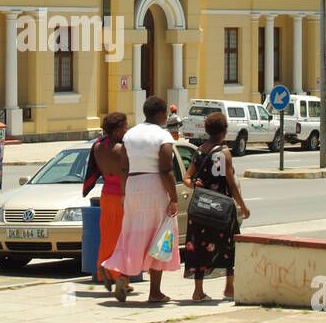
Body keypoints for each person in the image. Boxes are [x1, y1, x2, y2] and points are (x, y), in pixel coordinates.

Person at [103, 96, 181, 303]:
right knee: (158, 237)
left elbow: (124, 167)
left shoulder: (130, 135)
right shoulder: (163, 136)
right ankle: (155, 292)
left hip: (133, 186)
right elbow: (166, 169)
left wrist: (124, 194)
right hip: (154, 186)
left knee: (133, 234)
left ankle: (124, 275)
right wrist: (173, 197)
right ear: (162, 114)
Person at [183, 111, 249, 301]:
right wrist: (243, 206)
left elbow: (187, 178)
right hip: (222, 208)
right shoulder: (224, 153)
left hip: (201, 207)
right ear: (224, 131)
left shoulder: (199, 151)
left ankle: (198, 290)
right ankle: (229, 288)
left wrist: (195, 184)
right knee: (228, 246)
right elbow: (231, 182)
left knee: (198, 247)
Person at [92, 113, 129, 290]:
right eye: (124, 128)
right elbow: (124, 174)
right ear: (116, 130)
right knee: (124, 238)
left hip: (106, 194)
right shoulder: (121, 150)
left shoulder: (98, 147)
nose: (126, 130)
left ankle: (105, 267)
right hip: (121, 195)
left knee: (107, 236)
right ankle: (121, 276)